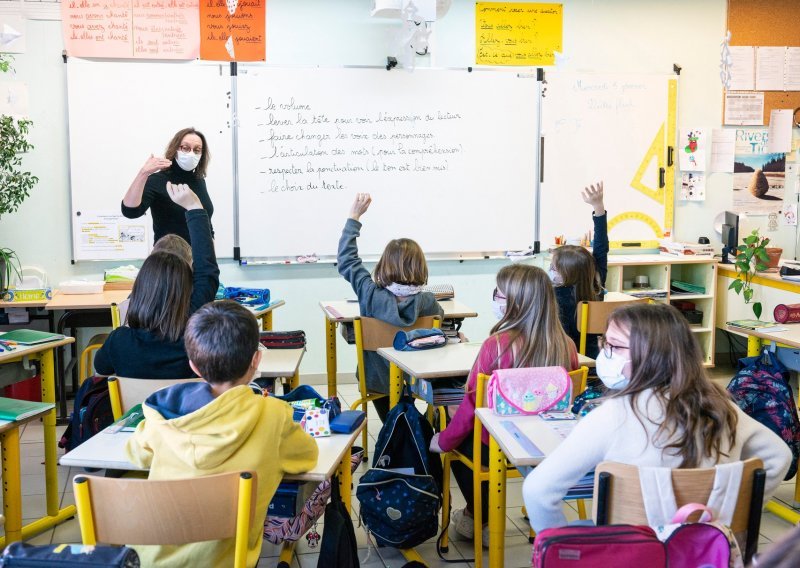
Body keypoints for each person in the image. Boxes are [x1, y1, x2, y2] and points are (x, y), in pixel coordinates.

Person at [522, 303, 793, 533]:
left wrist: (555, 544)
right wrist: (734, 518)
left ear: (650, 355)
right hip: (706, 551)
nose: (604, 353)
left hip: (625, 553)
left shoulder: (613, 414)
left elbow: (537, 491)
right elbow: (780, 456)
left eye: (613, 346)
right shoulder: (722, 407)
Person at [126, 300, 318, 567]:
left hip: (148, 561)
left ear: (193, 366)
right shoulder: (273, 415)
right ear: (256, 359)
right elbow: (308, 458)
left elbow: (136, 455)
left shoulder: (162, 417)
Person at [430, 264, 579, 545]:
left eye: (498, 293)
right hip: (544, 447)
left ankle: (480, 519)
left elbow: (471, 408)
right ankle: (478, 519)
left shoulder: (495, 346)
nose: (495, 298)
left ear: (515, 303)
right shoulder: (566, 345)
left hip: (495, 448)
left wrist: (444, 440)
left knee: (452, 432)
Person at [94, 184, 219, 379]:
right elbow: (207, 271)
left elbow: (100, 370)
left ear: (140, 287)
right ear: (188, 284)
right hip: (187, 411)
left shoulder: (119, 342)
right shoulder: (194, 342)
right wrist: (195, 208)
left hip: (138, 410)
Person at [337, 192, 443, 422]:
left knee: (390, 409)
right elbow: (439, 331)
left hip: (376, 380)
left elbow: (347, 261)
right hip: (416, 379)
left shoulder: (370, 293)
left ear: (384, 266)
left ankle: (395, 425)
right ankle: (415, 425)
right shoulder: (428, 302)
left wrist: (354, 217)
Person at [122, 127, 214, 244]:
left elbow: (207, 226)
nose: (191, 153)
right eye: (185, 148)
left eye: (197, 150)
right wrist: (143, 173)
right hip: (168, 258)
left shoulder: (199, 181)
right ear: (175, 149)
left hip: (199, 258)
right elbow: (130, 212)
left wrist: (210, 258)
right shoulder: (158, 180)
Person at [549, 182, 608, 359]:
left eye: (553, 268)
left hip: (566, 359)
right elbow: (601, 247)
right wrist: (598, 207)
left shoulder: (553, 295)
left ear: (567, 273)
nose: (550, 271)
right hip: (596, 357)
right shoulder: (596, 284)